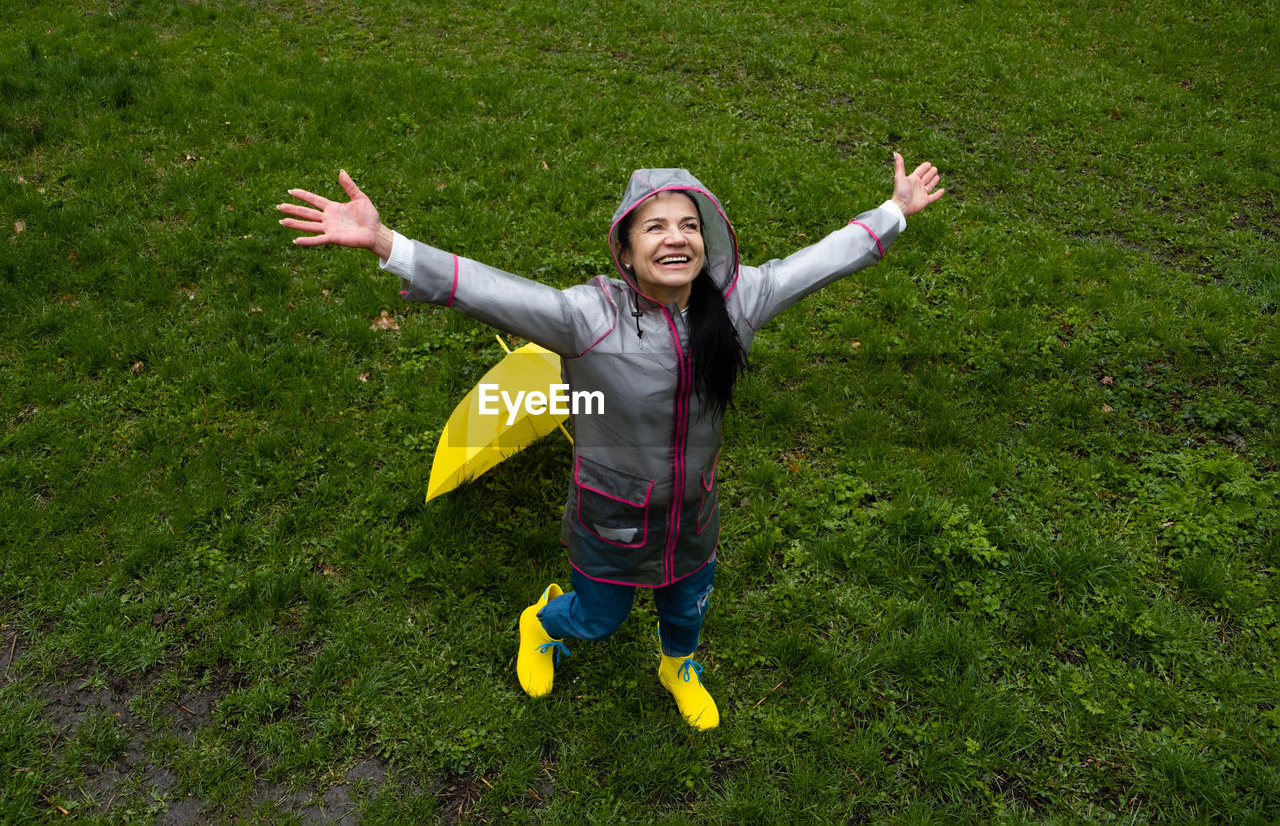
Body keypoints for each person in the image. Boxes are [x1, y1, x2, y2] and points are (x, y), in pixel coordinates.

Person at [278, 156, 944, 730]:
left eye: (689, 225)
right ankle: (541, 624)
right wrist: (386, 241)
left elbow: (823, 258)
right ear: (625, 251)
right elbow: (486, 289)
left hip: (693, 518)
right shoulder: (585, 317)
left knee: (687, 610)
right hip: (612, 522)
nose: (675, 237)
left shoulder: (740, 303)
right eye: (655, 227)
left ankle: (678, 666)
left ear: (707, 242)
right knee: (597, 618)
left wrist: (897, 209)